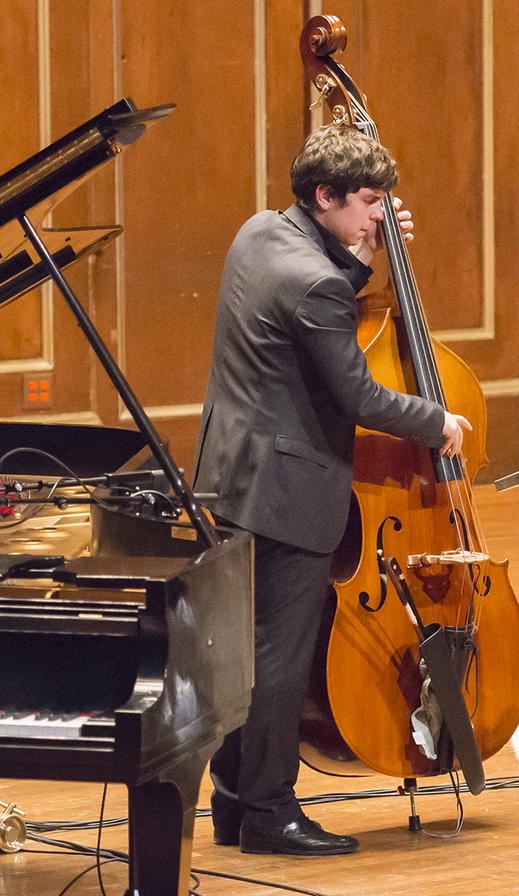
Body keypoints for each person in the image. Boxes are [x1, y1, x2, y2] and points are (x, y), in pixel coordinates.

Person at [193, 124, 470, 856]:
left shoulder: (260, 234)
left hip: (231, 473)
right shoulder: (316, 282)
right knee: (281, 657)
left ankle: (234, 803)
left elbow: (313, 309)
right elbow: (357, 394)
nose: (380, 214)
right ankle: (271, 813)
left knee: (243, 655)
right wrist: (436, 418)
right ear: (326, 196)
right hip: (287, 489)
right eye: (370, 202)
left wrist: (367, 251)